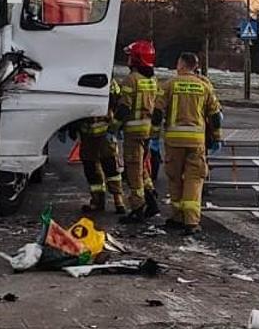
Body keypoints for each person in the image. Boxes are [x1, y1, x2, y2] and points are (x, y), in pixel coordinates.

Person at [153, 52, 221, 236]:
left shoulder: (169, 85)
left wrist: (154, 137)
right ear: (195, 67)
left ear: (181, 65)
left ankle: (177, 217)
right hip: (196, 141)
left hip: (174, 141)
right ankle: (191, 221)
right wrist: (216, 137)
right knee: (194, 179)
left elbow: (157, 113)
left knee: (175, 178)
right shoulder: (204, 86)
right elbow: (215, 116)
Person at [114, 40, 161, 223]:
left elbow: (124, 108)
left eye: (130, 56)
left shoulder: (131, 79)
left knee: (133, 170)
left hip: (133, 131)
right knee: (141, 167)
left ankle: (137, 208)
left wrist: (113, 127)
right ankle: (151, 200)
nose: (128, 59)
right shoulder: (152, 79)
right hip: (147, 130)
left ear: (136, 59)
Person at [75, 107, 126, 215]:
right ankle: (100, 201)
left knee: (110, 168)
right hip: (88, 134)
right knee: (92, 169)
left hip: (102, 133)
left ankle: (117, 201)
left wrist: (114, 127)